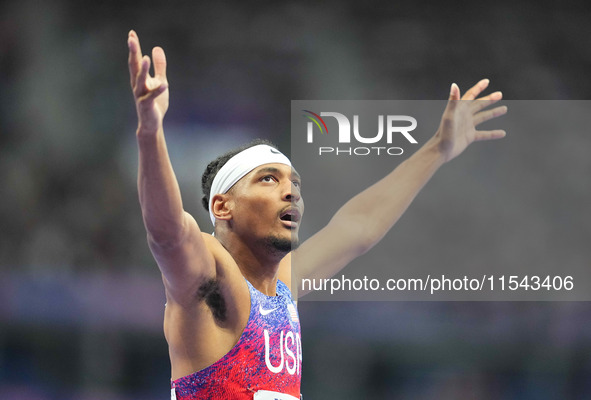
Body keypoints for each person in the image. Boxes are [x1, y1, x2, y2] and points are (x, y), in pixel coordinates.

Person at [127, 29, 506, 400]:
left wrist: (438, 149)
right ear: (222, 206)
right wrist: (150, 131)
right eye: (268, 179)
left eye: (294, 183)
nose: (290, 191)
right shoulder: (211, 278)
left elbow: (358, 226)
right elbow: (168, 233)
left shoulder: (282, 288)